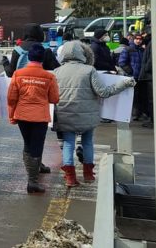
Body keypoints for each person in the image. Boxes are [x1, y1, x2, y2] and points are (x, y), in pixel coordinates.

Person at [54, 42, 135, 187]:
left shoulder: (57, 71)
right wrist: (124, 84)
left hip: (64, 113)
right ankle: (88, 175)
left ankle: (70, 178)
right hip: (88, 115)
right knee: (87, 143)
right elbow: (103, 92)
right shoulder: (89, 70)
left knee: (68, 144)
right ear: (82, 54)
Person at [7, 45, 59, 194]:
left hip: (22, 114)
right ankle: (32, 181)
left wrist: (12, 115)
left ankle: (32, 177)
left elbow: (11, 98)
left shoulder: (18, 74)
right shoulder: (49, 77)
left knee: (28, 144)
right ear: (42, 59)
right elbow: (54, 98)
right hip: (40, 116)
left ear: (29, 57)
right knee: (37, 145)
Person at [119, 33, 148, 121]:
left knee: (141, 96)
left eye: (140, 39)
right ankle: (135, 114)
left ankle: (140, 113)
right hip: (133, 77)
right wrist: (130, 71)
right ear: (133, 39)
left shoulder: (142, 50)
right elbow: (122, 62)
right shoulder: (128, 49)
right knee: (134, 96)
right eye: (137, 39)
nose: (139, 41)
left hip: (141, 76)